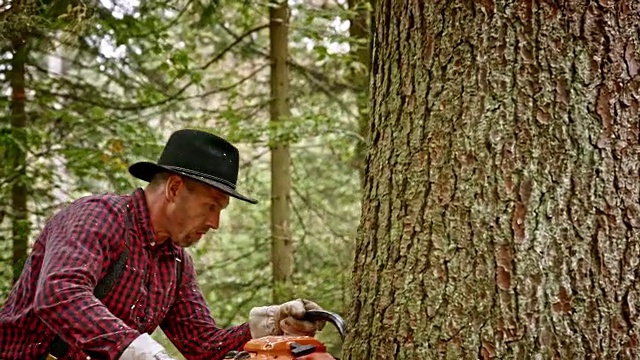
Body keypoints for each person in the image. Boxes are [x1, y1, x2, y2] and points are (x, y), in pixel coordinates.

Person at [0, 129, 325, 360]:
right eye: (211, 206)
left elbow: (204, 347)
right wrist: (136, 348)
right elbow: (59, 293)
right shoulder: (99, 216)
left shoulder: (176, 264)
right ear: (173, 188)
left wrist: (268, 325)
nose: (214, 223)